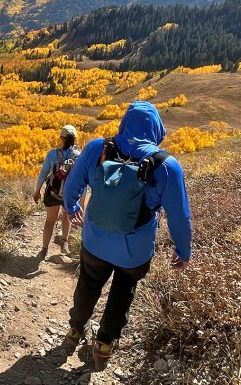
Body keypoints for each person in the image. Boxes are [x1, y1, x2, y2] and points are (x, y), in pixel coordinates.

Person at [62, 101, 192, 369]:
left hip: (95, 240)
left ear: (123, 123)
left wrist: (73, 206)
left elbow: (73, 184)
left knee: (88, 283)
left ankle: (76, 329)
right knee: (123, 292)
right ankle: (104, 344)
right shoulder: (167, 166)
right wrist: (183, 250)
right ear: (157, 129)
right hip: (134, 252)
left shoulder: (98, 148)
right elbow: (180, 217)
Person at [33, 125, 81, 260]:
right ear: (75, 139)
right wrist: (81, 198)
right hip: (69, 194)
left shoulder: (52, 154)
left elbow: (43, 173)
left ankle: (44, 250)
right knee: (66, 217)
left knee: (49, 221)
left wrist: (37, 191)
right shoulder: (78, 155)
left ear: (61, 138)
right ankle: (64, 244)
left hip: (52, 192)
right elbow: (80, 177)